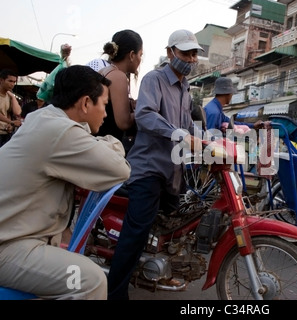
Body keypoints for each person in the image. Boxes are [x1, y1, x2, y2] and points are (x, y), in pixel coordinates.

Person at [0, 65, 131, 300]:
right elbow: (119, 169)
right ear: (85, 104)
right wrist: (113, 143)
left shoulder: (43, 119)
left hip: (17, 239)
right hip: (8, 248)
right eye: (103, 105)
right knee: (89, 280)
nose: (104, 113)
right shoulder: (60, 131)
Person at [107, 29, 204, 300]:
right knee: (135, 234)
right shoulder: (154, 79)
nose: (191, 58)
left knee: (178, 226)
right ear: (170, 51)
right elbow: (146, 116)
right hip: (148, 169)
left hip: (173, 171)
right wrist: (182, 135)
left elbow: (188, 128)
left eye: (195, 53)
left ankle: (161, 268)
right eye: (186, 52)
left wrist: (216, 142)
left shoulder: (186, 89)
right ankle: (114, 293)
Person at [96, 30, 143, 155]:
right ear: (132, 55)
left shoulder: (104, 70)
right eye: (140, 54)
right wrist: (143, 109)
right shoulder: (118, 76)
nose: (140, 60)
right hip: (107, 148)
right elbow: (124, 122)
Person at [0, 69, 22, 147]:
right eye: (10, 81)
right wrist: (11, 122)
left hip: (6, 133)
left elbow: (17, 112)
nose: (12, 84)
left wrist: (13, 97)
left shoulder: (9, 96)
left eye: (14, 82)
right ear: (1, 80)